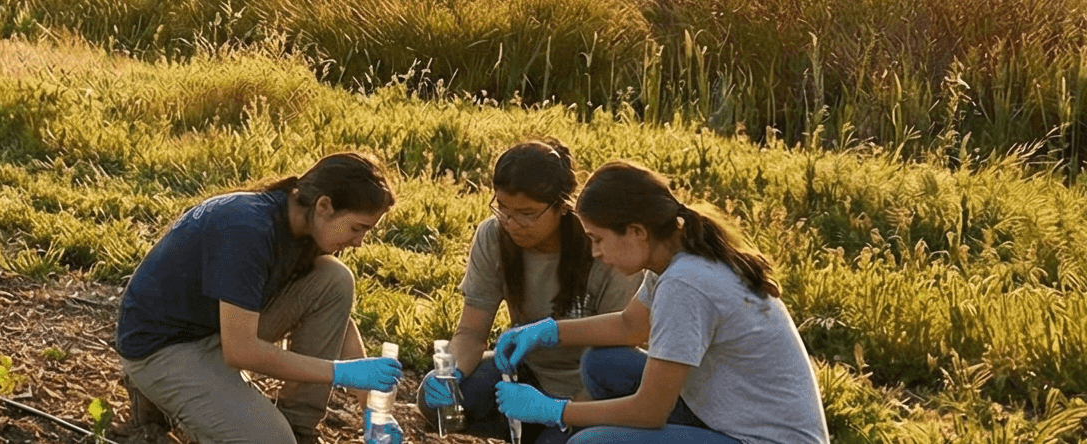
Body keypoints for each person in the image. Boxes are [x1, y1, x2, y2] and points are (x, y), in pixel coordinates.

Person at [489, 162, 825, 444]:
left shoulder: (686, 284)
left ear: (636, 231)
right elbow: (631, 326)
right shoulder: (676, 256)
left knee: (588, 443)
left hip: (763, 439)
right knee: (604, 363)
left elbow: (650, 411)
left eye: (598, 239)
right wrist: (547, 331)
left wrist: (553, 410)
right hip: (728, 415)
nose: (595, 252)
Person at [115, 152, 406, 444]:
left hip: (218, 326)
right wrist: (340, 373)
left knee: (335, 279)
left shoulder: (301, 225)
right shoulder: (248, 229)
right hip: (164, 348)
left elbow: (336, 323)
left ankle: (299, 428)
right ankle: (158, 394)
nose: (359, 242)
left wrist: (374, 408)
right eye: (358, 228)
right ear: (324, 206)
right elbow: (240, 351)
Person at [425, 141, 643, 444]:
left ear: (561, 206)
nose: (512, 223)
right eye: (503, 209)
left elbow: (617, 346)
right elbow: (472, 332)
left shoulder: (602, 249)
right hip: (527, 373)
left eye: (527, 214)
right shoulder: (494, 236)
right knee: (435, 398)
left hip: (589, 385)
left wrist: (560, 412)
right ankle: (531, 430)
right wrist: (451, 375)